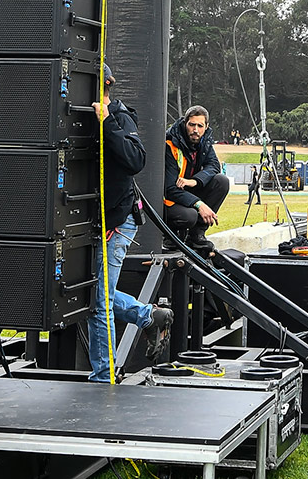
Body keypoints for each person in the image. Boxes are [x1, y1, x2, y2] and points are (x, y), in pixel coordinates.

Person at [87, 62, 171, 383]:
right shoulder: (85, 116)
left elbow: (134, 161)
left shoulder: (119, 117)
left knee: (100, 303)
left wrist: (107, 121)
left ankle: (103, 377)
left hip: (118, 222)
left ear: (106, 85)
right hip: (95, 222)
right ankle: (149, 316)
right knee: (93, 297)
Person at [162, 105, 231, 252]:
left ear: (206, 127)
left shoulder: (204, 141)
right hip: (168, 199)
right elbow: (169, 189)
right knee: (190, 215)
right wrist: (199, 204)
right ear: (184, 123)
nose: (195, 130)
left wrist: (195, 181)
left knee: (221, 181)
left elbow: (213, 165)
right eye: (192, 125)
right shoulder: (170, 144)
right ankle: (171, 236)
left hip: (187, 189)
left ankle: (196, 235)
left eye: (200, 126)